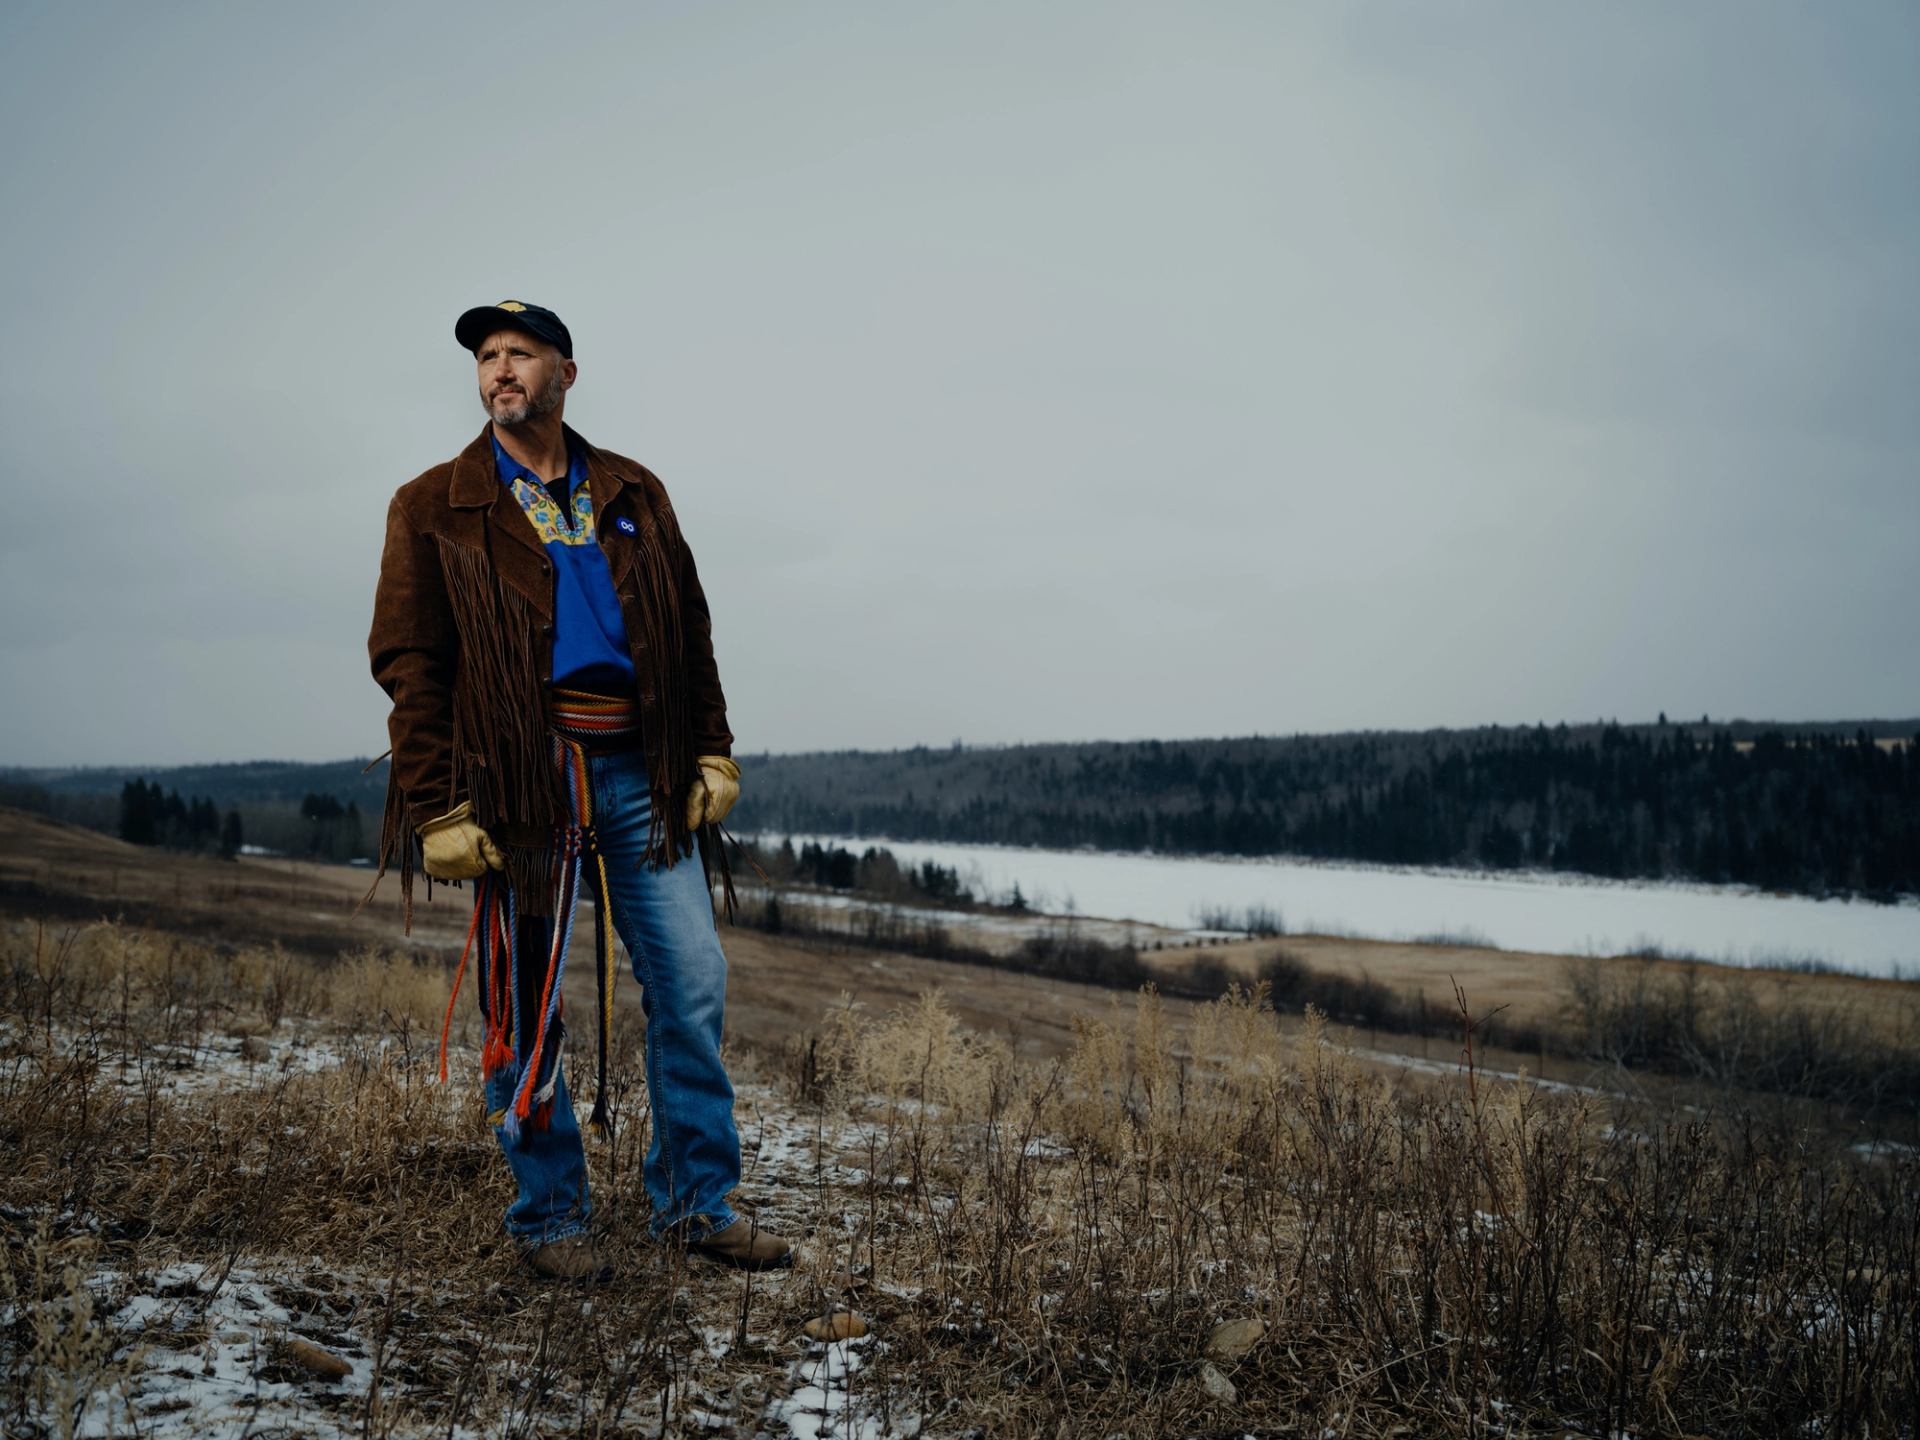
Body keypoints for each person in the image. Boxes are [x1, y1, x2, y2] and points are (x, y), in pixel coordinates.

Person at [367, 299, 791, 1279]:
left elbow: (685, 630)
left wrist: (713, 750)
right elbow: (410, 661)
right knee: (528, 1003)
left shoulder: (634, 489)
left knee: (691, 982)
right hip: (523, 775)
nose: (499, 371)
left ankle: (695, 1206)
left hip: (641, 768)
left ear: (566, 372)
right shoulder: (433, 502)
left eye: (519, 354)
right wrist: (435, 805)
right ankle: (550, 1219)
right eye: (486, 357)